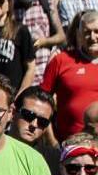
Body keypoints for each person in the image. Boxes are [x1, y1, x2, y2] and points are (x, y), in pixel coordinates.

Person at [42, 9, 98, 143]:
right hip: (69, 146)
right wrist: (52, 141)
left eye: (97, 31)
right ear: (79, 35)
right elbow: (42, 103)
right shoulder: (61, 60)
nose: (92, 37)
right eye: (86, 32)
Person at [12, 84, 65, 175]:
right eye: (28, 115)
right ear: (13, 112)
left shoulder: (56, 160)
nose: (34, 125)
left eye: (42, 121)